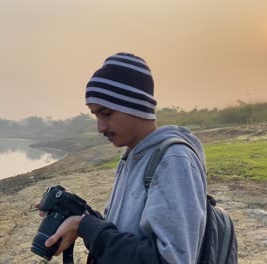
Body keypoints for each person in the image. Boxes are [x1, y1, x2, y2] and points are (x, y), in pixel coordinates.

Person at [38, 52, 207, 263]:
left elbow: (171, 259)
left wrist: (86, 227)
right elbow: (125, 235)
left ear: (136, 105)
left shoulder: (173, 160)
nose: (100, 127)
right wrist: (78, 215)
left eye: (106, 113)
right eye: (96, 115)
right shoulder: (132, 156)